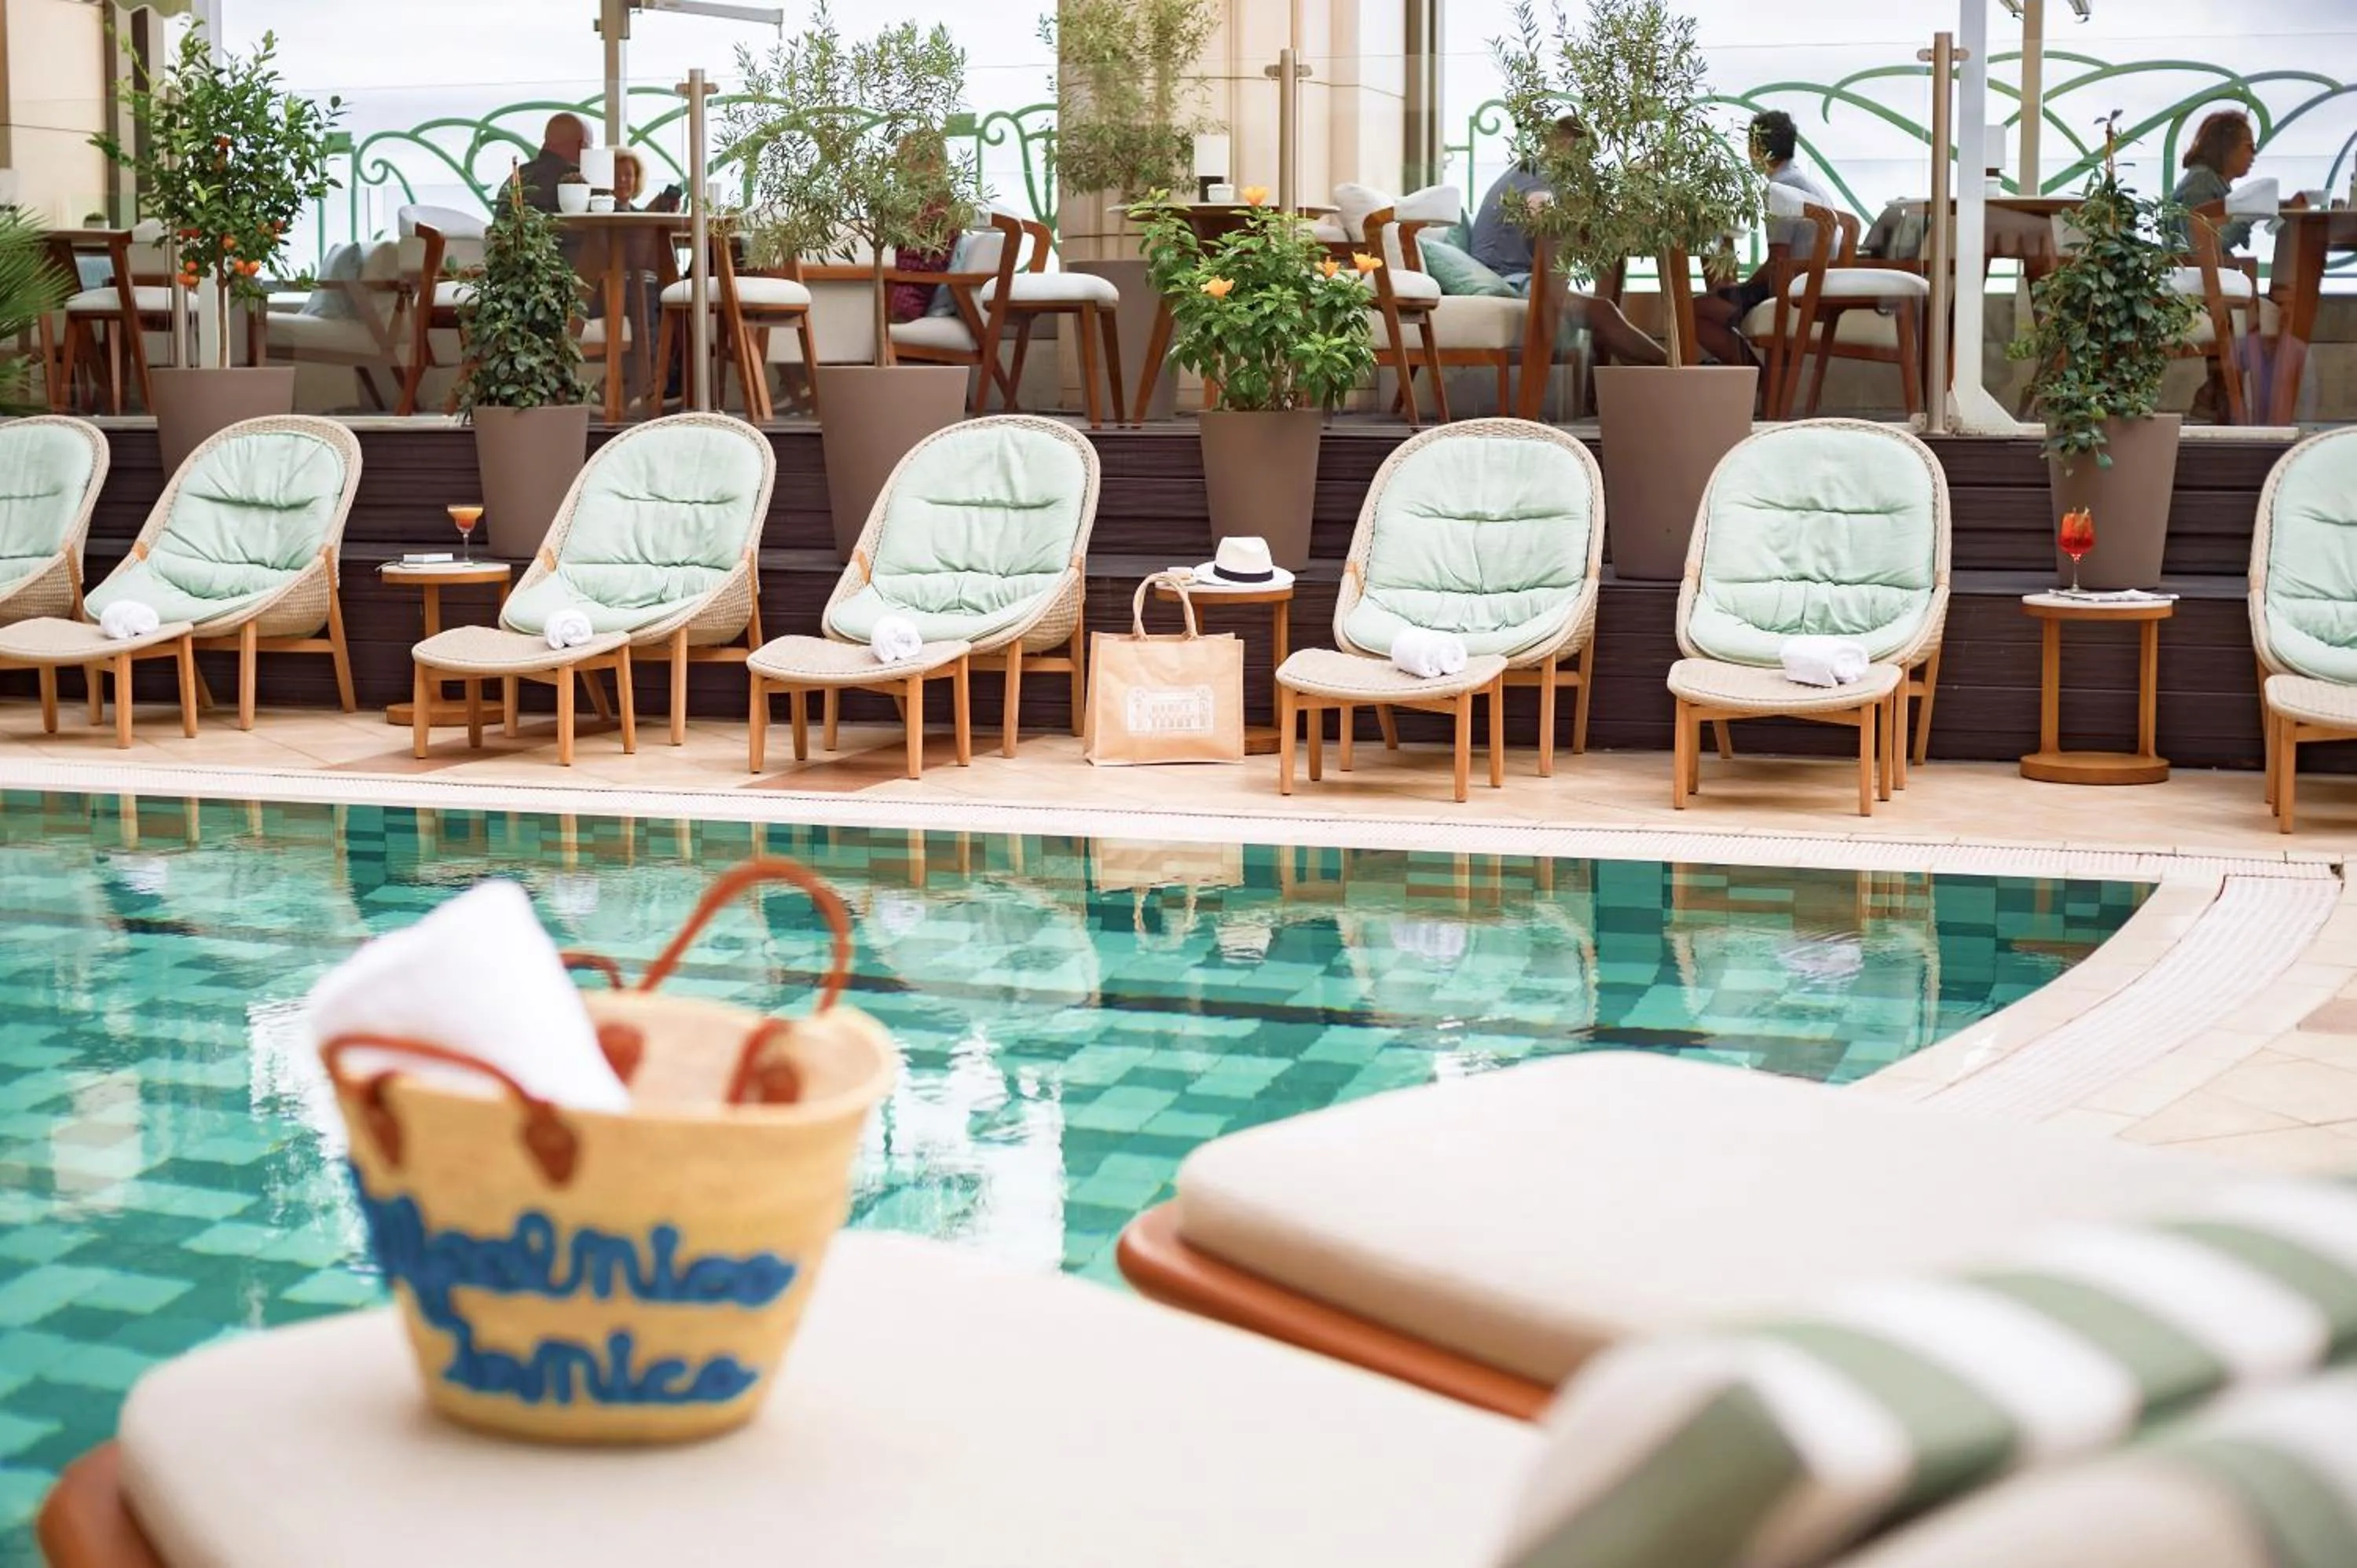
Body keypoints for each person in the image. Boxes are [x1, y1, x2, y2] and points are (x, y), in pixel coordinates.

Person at [1467, 112, 1670, 368]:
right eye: (1585, 158)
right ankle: (1682, 372)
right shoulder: (1542, 171)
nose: (1585, 167)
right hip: (1506, 278)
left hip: (1513, 274)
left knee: (1603, 315)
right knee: (1603, 312)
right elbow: (1541, 213)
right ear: (1566, 144)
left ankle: (1652, 386)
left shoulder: (1529, 169)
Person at [1693, 110, 1835, 365]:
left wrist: (1741, 286)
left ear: (1756, 148)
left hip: (1793, 287)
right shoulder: (1809, 185)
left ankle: (1753, 377)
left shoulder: (1781, 189)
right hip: (1815, 284)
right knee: (1721, 296)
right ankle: (1750, 376)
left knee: (1692, 311)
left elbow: (1777, 263)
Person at [2172, 109, 2258, 252]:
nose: (2254, 154)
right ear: (2228, 146)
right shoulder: (2202, 182)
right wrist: (2247, 214)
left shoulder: (2209, 181)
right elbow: (2201, 244)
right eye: (2249, 146)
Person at [517, 113, 592, 214]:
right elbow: (612, 219)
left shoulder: (517, 177)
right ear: (581, 145)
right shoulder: (577, 181)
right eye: (589, 145)